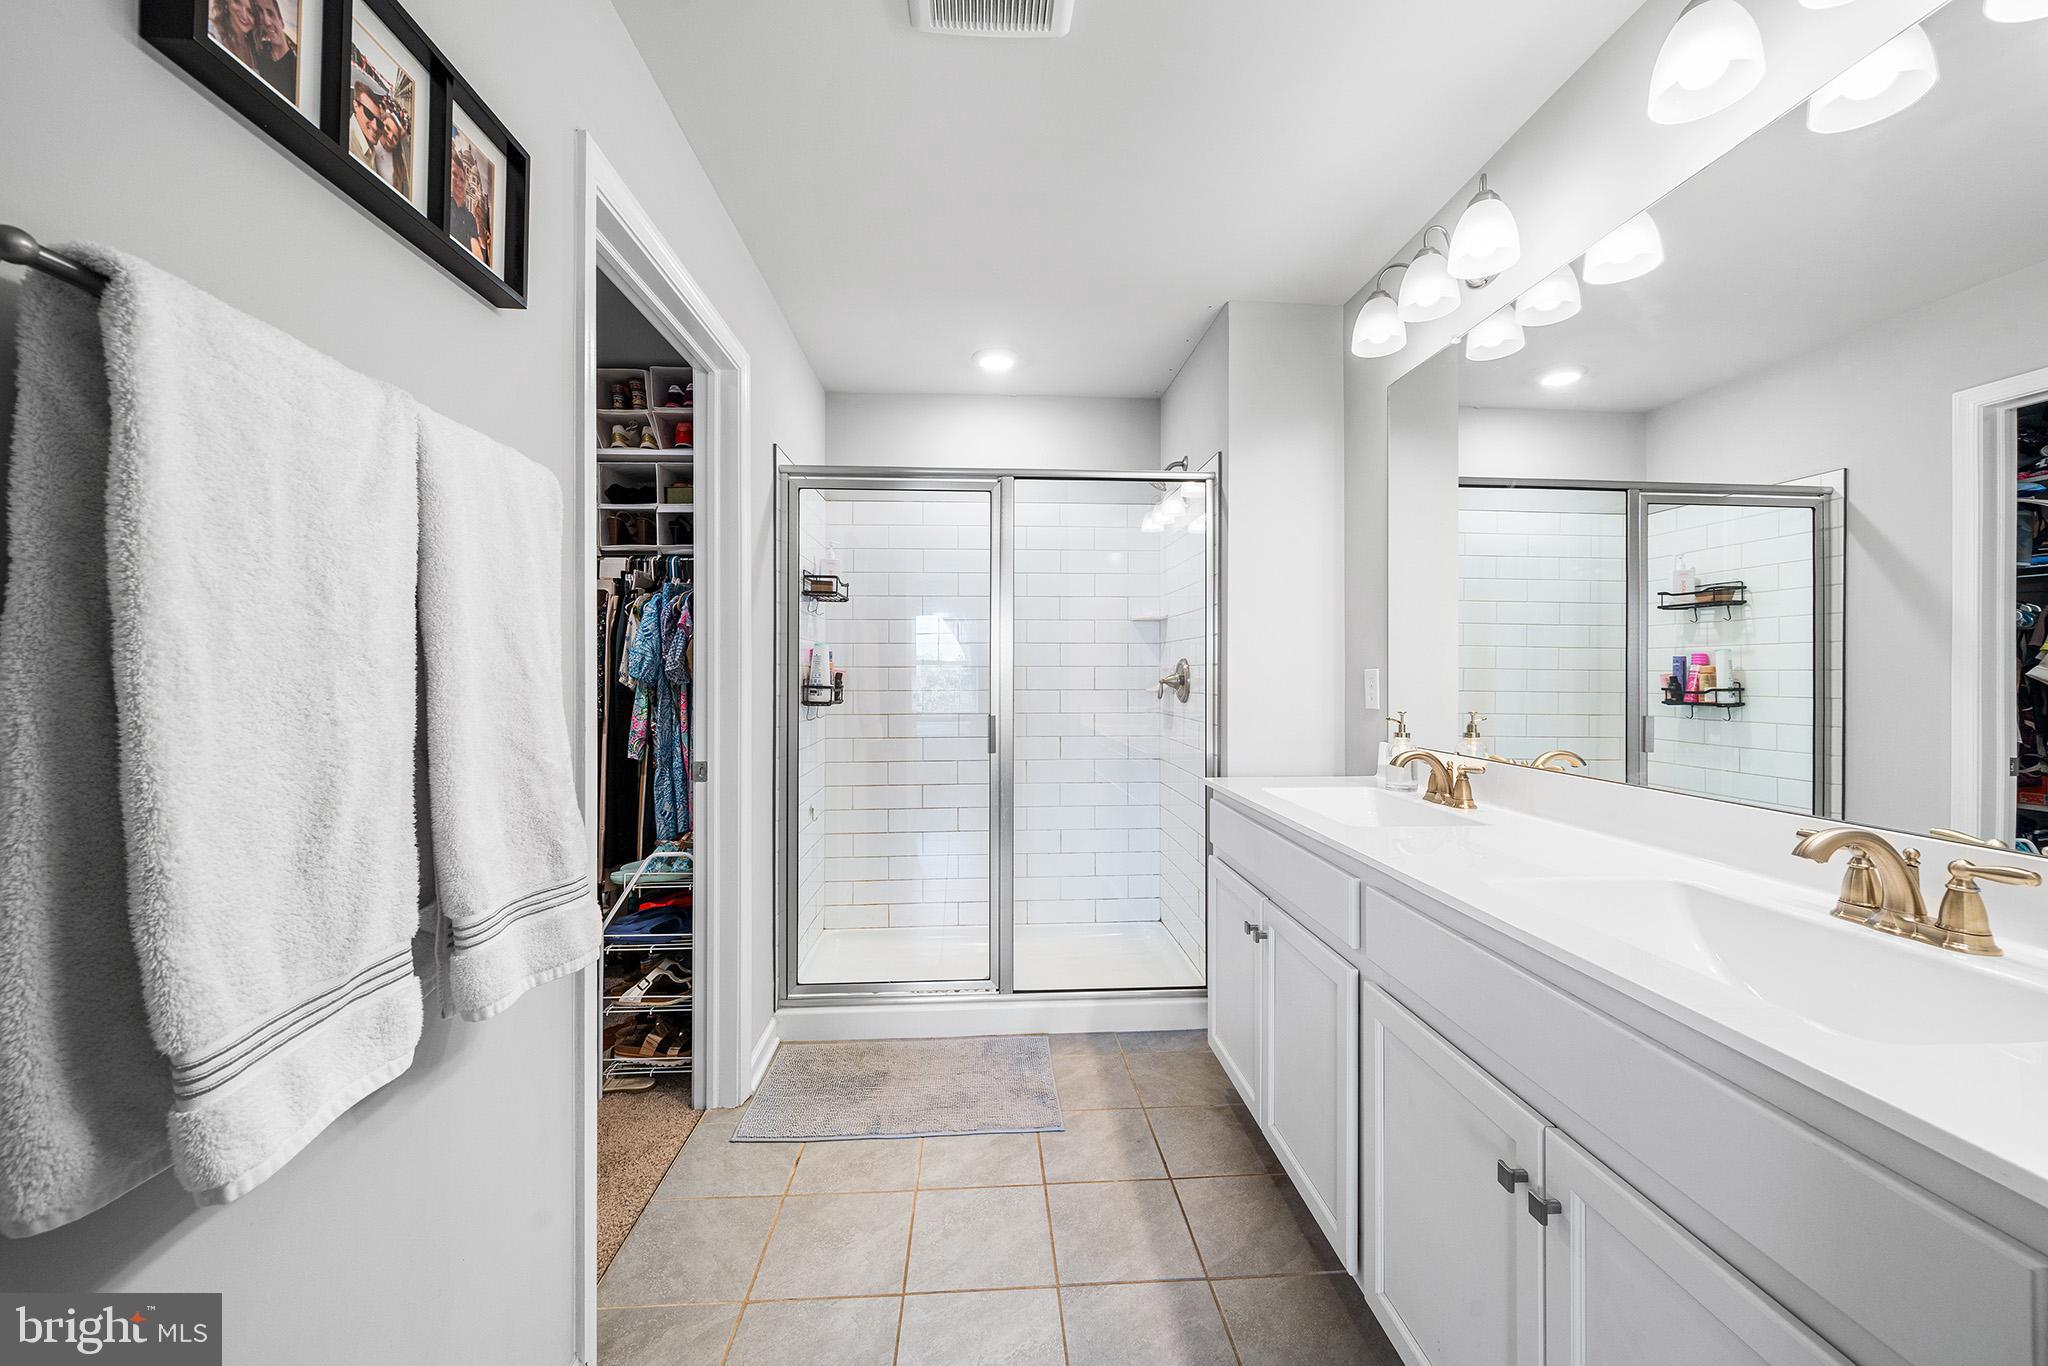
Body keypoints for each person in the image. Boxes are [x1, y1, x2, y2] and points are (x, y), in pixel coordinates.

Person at [252, 0, 298, 100]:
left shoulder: (294, 67)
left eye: (270, 13)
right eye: (260, 11)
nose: (266, 21)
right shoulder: (259, 51)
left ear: (281, 21)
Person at [209, 0, 260, 70]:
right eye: (237, 2)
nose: (244, 15)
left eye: (250, 12)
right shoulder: (211, 31)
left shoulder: (255, 50)